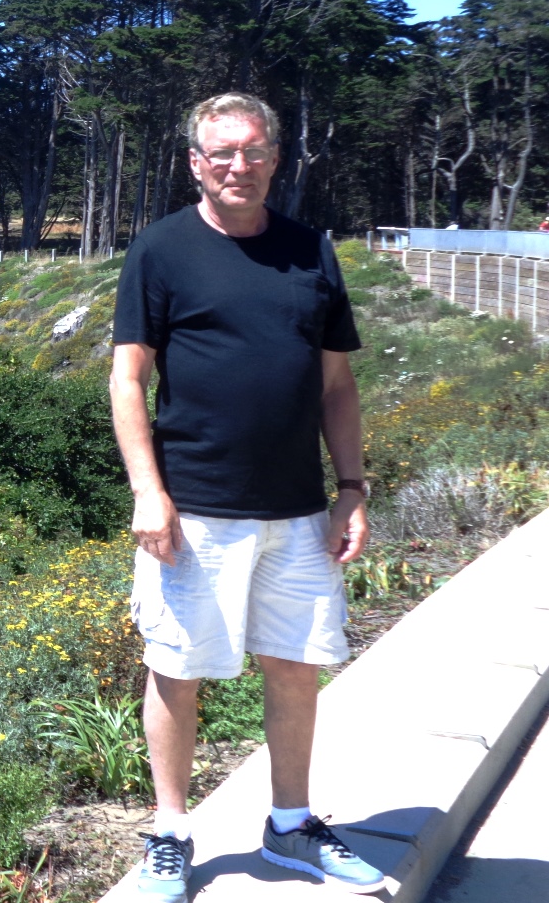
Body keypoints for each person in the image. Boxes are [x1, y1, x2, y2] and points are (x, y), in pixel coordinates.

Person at [112, 92, 383, 900]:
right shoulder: (161, 249)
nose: (240, 165)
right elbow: (128, 378)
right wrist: (148, 492)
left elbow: (337, 385)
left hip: (299, 511)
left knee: (296, 668)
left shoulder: (310, 250)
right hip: (194, 510)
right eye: (223, 153)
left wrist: (352, 488)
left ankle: (290, 824)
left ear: (275, 159)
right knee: (177, 671)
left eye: (255, 151)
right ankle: (170, 832)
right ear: (196, 163)